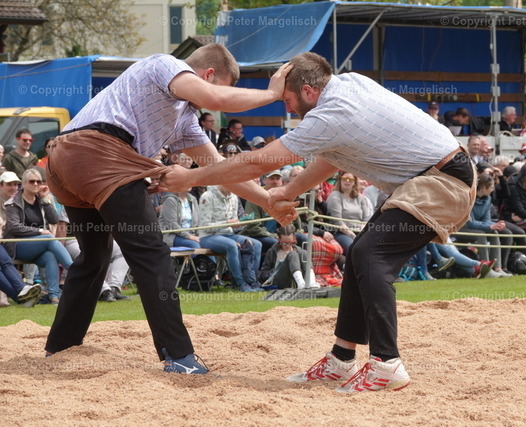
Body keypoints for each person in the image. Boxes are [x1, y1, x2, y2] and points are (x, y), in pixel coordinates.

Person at [160, 51, 478, 392]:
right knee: (359, 255)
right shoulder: (349, 85)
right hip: (436, 176)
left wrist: (191, 178)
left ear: (309, 91)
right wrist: (287, 192)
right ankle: (342, 358)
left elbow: (256, 163)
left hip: (441, 182)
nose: (286, 107)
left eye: (287, 99)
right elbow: (331, 156)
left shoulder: (330, 115)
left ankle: (387, 364)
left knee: (370, 256)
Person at [43, 43, 296, 374]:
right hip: (100, 153)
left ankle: (60, 346)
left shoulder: (184, 118)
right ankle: (178, 356)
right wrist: (272, 94)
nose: (214, 104)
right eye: (221, 86)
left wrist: (267, 201)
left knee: (94, 257)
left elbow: (219, 168)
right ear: (207, 74)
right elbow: (216, 98)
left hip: (63, 161)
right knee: (152, 254)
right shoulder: (163, 64)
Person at [3, 168, 73, 304]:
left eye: (39, 181)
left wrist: (45, 199)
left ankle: (53, 296)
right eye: (32, 181)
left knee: (50, 256)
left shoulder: (41, 200)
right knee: (49, 238)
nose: (36, 184)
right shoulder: (13, 203)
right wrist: (40, 231)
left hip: (38, 245)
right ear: (23, 183)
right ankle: (73, 269)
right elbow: (14, 227)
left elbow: (54, 219)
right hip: (17, 245)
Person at [198, 185, 263, 292]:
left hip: (229, 234)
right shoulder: (207, 196)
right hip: (208, 236)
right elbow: (205, 226)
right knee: (231, 245)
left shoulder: (234, 197)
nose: (234, 188)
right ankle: (240, 282)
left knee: (257, 244)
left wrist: (240, 223)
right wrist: (227, 223)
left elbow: (233, 222)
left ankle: (252, 281)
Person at [325, 171, 373, 255]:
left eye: (350, 179)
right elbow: (338, 222)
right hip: (341, 232)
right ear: (340, 180)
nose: (347, 181)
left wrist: (361, 232)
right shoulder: (335, 196)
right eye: (344, 178)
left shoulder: (360, 197)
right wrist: (354, 236)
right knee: (354, 248)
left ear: (354, 182)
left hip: (359, 231)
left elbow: (366, 218)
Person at [259, 224, 318, 289]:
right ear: (278, 239)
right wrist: (276, 269)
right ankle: (301, 284)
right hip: (280, 281)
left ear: (294, 238)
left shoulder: (298, 250)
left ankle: (312, 282)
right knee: (292, 254)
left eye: (290, 243)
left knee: (304, 253)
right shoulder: (272, 251)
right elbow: (263, 274)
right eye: (283, 243)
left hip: (295, 280)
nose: (287, 246)